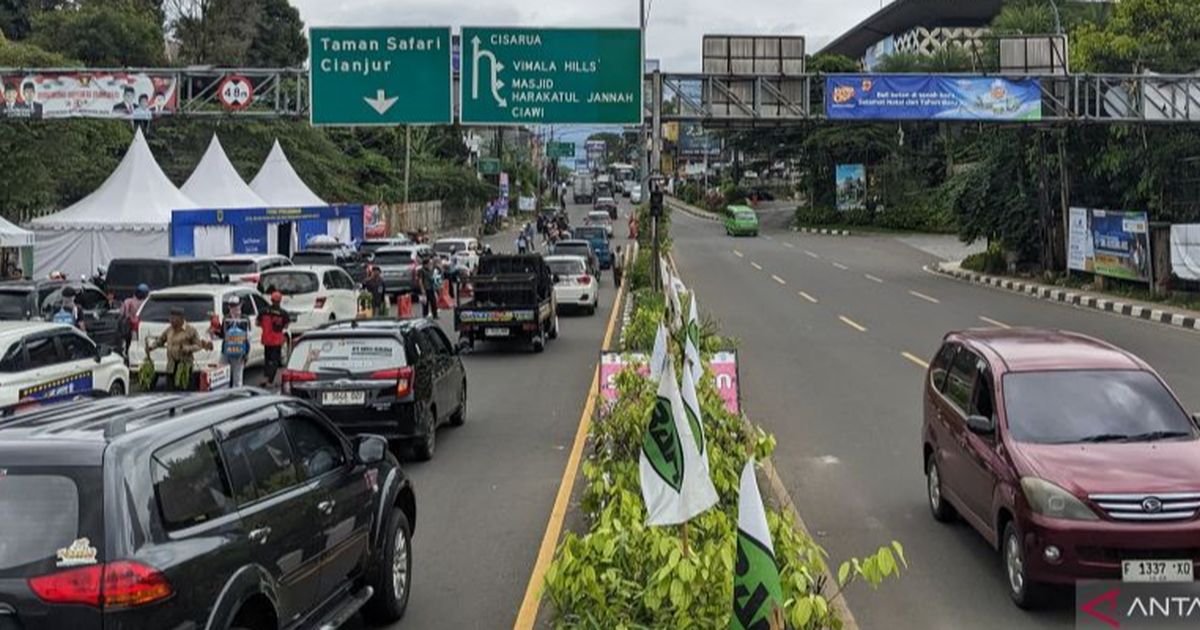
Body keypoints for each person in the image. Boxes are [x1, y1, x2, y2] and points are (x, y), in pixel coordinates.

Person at [149, 307, 211, 391]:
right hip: (171, 366)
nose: (171, 320)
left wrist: (187, 348)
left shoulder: (190, 330)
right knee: (171, 390)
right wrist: (152, 346)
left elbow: (198, 345)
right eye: (171, 318)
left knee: (183, 389)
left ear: (181, 318)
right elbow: (161, 340)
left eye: (174, 318)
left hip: (184, 366)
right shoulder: (169, 330)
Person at [211, 295, 251, 388]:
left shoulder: (245, 319)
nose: (233, 308)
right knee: (222, 374)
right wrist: (215, 330)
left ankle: (237, 397)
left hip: (239, 352)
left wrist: (246, 353)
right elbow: (223, 334)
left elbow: (248, 337)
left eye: (235, 306)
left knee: (237, 378)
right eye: (231, 306)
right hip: (226, 351)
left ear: (240, 305)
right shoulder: (226, 318)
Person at [257, 291, 290, 387]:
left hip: (266, 339)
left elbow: (257, 323)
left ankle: (266, 377)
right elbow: (286, 325)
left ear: (271, 300)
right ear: (280, 301)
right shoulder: (283, 313)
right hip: (277, 340)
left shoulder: (263, 311)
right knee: (275, 361)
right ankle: (270, 381)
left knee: (267, 359)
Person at [119, 284, 149, 361]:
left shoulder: (128, 301)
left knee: (127, 343)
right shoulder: (145, 302)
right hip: (140, 326)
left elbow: (122, 313)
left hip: (129, 326)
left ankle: (126, 357)